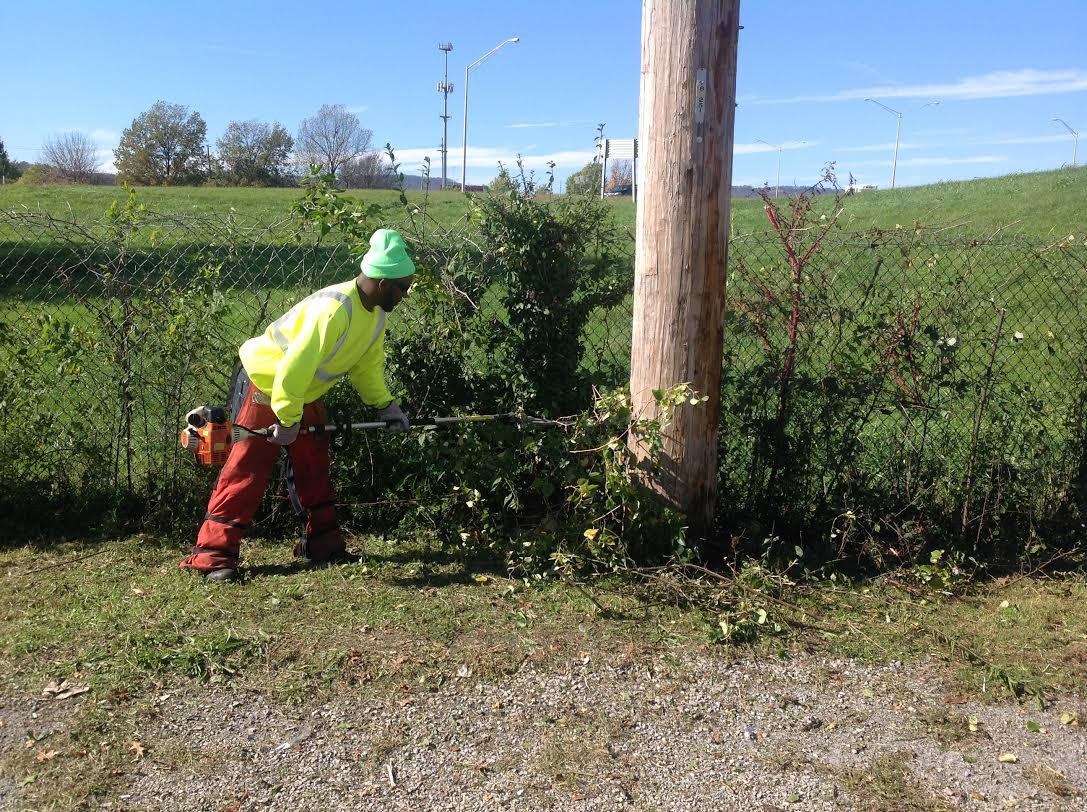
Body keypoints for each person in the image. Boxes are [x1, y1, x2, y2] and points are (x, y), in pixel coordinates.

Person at [181, 228, 415, 582]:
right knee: (249, 464)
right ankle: (213, 555)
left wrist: (386, 406)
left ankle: (321, 545)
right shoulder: (334, 310)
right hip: (268, 380)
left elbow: (367, 366)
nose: (406, 295)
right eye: (404, 288)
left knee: (313, 462)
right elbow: (293, 368)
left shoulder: (376, 315)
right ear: (383, 283)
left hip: (301, 391)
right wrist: (289, 421)